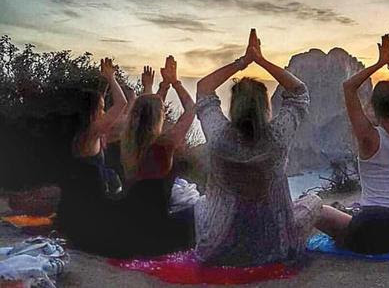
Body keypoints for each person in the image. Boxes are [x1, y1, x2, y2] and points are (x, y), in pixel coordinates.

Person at [194, 29, 322, 266]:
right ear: (265, 107)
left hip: (219, 248)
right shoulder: (277, 136)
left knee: (201, 202)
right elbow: (299, 93)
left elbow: (203, 89)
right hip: (275, 248)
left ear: (233, 106)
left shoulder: (219, 136)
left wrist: (243, 62)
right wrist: (260, 60)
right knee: (313, 201)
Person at [315, 34, 389, 255]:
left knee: (318, 210)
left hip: (370, 231)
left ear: (373, 105)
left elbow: (349, 87)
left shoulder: (368, 137)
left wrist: (379, 63)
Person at [114, 55, 197, 256]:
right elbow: (192, 109)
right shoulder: (164, 145)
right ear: (159, 117)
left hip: (127, 220)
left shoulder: (127, 142)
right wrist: (175, 82)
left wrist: (162, 87)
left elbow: (146, 110)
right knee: (200, 209)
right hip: (154, 229)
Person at [56, 58, 129, 254]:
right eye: (102, 108)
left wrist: (104, 81)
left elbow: (98, 102)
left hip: (76, 193)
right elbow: (122, 103)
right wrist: (112, 78)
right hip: (91, 197)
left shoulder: (79, 130)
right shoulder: (93, 131)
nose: (104, 112)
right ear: (92, 111)